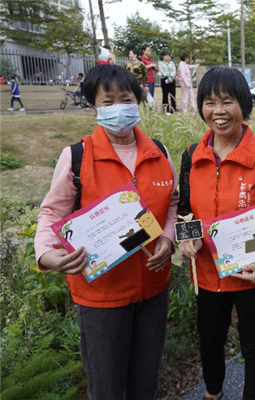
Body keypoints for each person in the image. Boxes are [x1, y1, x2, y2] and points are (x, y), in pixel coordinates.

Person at [34, 64, 179, 399]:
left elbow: (172, 202)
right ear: (94, 107)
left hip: (154, 291)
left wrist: (168, 238)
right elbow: (52, 212)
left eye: (125, 99)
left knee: (145, 385)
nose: (118, 108)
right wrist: (47, 254)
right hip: (101, 297)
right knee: (107, 389)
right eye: (108, 101)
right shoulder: (77, 157)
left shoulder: (159, 152)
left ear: (137, 102)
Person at [177, 66, 255, 400]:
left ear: (244, 104)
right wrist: (186, 237)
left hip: (253, 273)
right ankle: (213, 393)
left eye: (227, 101)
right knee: (210, 340)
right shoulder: (191, 156)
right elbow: (184, 209)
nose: (218, 111)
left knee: (254, 345)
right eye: (210, 102)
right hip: (207, 273)